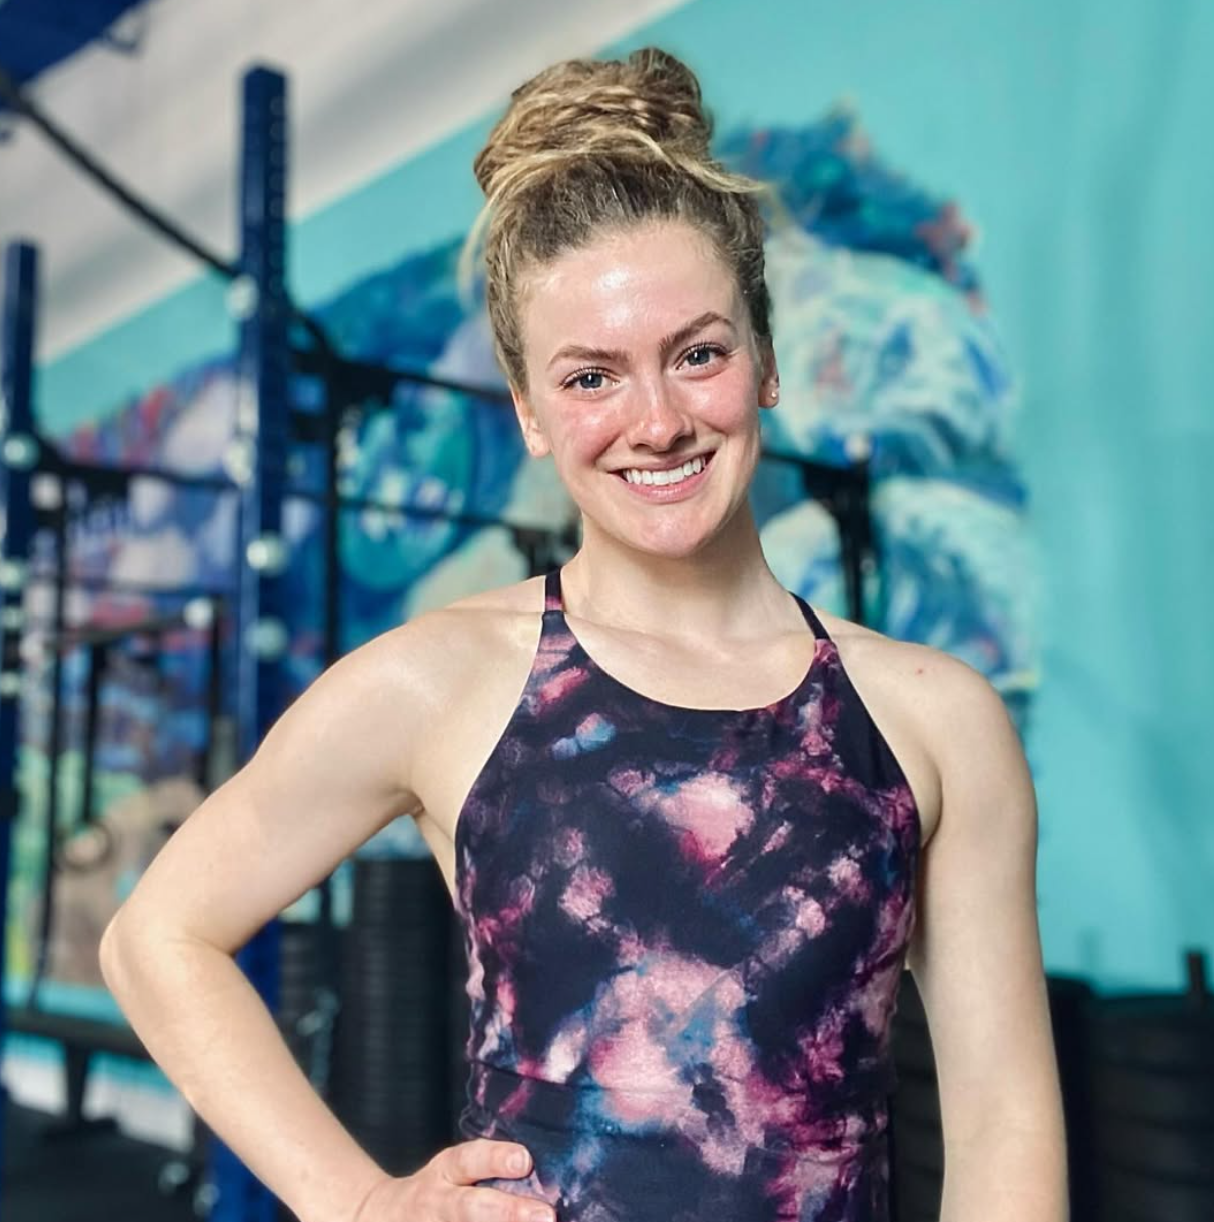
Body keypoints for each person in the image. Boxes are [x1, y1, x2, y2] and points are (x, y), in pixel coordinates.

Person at [101, 46, 1067, 1222]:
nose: (655, 421)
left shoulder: (929, 718)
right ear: (526, 410)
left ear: (762, 358)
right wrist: (357, 1200)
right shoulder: (443, 680)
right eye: (591, 376)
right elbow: (159, 937)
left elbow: (1001, 1117)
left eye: (696, 353)